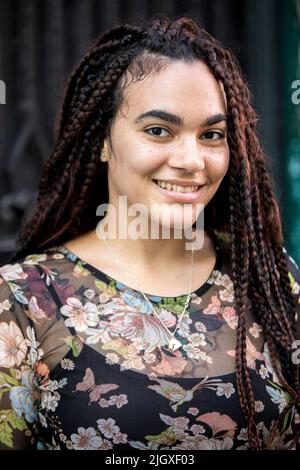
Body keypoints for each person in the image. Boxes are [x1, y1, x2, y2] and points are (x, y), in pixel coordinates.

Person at [0, 14, 299, 451]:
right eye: (159, 130)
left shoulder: (268, 278)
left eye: (212, 134)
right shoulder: (26, 302)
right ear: (103, 140)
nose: (192, 160)